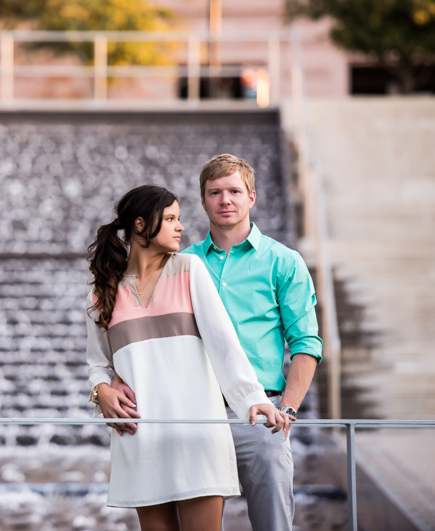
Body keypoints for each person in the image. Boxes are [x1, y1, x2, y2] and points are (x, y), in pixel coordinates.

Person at [108, 155, 323, 531]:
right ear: (203, 200)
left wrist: (287, 411)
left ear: (252, 197)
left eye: (234, 192)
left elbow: (306, 343)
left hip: (260, 417)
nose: (225, 200)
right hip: (192, 413)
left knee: (274, 525)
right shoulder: (178, 263)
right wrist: (109, 380)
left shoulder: (283, 262)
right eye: (215, 192)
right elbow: (138, 328)